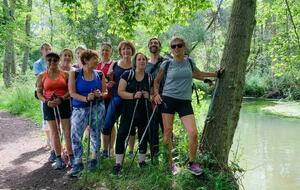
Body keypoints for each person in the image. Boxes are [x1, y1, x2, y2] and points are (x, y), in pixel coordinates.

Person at [153, 36, 223, 175]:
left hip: (184, 101)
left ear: (184, 47)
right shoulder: (166, 64)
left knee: (193, 133)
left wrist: (215, 74)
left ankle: (192, 163)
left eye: (179, 45)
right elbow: (156, 81)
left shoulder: (189, 62)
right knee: (167, 132)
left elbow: (198, 73)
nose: (177, 48)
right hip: (168, 100)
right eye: (173, 46)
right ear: (171, 49)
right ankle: (171, 164)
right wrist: (156, 94)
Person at [68, 49, 106, 177]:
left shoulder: (99, 74)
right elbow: (72, 93)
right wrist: (85, 98)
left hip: (97, 107)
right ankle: (78, 162)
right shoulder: (75, 73)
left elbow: (105, 92)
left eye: (97, 58)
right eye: (94, 58)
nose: (97, 60)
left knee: (95, 133)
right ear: (86, 60)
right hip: (79, 109)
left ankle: (94, 159)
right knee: (76, 135)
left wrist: (99, 94)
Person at [113, 52, 152, 175]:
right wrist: (133, 95)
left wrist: (148, 96)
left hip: (143, 112)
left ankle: (141, 162)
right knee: (121, 135)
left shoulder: (149, 77)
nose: (141, 61)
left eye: (144, 59)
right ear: (135, 62)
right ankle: (118, 164)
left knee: (143, 136)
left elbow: (152, 95)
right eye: (139, 59)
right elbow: (120, 92)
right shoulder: (127, 74)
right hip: (128, 111)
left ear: (146, 62)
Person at [36, 52, 73, 170]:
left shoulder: (65, 74)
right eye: (49, 60)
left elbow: (70, 90)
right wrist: (46, 102)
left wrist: (61, 99)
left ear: (58, 61)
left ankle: (70, 155)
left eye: (55, 60)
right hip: (49, 104)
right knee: (54, 132)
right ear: (46, 61)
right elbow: (39, 93)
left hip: (63, 103)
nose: (52, 62)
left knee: (67, 132)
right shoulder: (42, 76)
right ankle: (58, 157)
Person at [101, 41, 135, 158]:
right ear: (120, 51)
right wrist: (109, 84)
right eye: (123, 49)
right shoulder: (115, 64)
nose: (126, 51)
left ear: (132, 50)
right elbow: (108, 79)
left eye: (128, 48)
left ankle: (130, 151)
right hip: (116, 98)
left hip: (131, 100)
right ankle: (105, 151)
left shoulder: (135, 65)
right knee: (107, 125)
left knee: (130, 126)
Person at [145, 37, 166, 159]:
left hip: (164, 98)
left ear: (159, 46)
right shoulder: (145, 63)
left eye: (156, 43)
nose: (153, 44)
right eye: (151, 43)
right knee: (152, 129)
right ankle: (154, 157)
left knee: (166, 128)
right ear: (149, 46)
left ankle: (169, 158)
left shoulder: (166, 62)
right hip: (150, 100)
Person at [33, 43, 53, 158]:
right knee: (46, 115)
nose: (48, 51)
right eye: (46, 49)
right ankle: (48, 140)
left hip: (53, 92)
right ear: (42, 50)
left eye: (49, 49)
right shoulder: (38, 64)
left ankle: (54, 140)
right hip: (43, 93)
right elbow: (40, 79)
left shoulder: (54, 61)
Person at [96, 42, 116, 157]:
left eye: (107, 50)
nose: (104, 52)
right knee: (101, 123)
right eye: (103, 50)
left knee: (110, 123)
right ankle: (104, 149)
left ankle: (111, 149)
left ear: (111, 52)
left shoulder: (113, 64)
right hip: (99, 98)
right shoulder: (97, 65)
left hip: (110, 97)